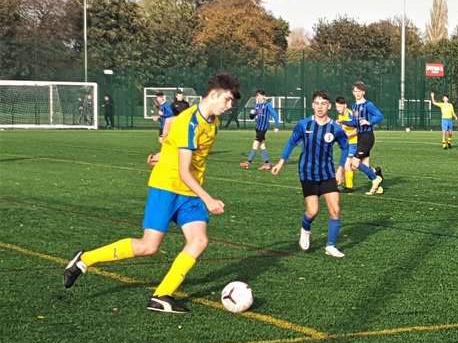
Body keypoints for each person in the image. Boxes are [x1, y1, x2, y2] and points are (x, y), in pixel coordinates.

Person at [63, 73, 242, 313]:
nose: (230, 106)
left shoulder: (213, 122)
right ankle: (85, 259)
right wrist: (208, 199)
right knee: (149, 246)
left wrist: (163, 154)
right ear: (213, 95)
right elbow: (183, 171)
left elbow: (179, 147)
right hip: (167, 186)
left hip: (189, 192)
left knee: (199, 241)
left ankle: (161, 295)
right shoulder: (189, 122)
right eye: (228, 100)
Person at [271, 90, 356, 258]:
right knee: (312, 211)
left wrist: (340, 169)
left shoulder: (335, 128)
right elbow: (291, 142)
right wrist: (281, 161)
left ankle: (330, 245)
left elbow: (345, 147)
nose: (320, 107)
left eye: (323, 104)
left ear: (329, 106)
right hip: (307, 173)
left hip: (327, 174)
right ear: (312, 105)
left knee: (335, 210)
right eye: (317, 103)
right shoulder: (304, 125)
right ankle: (305, 228)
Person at [340, 81, 384, 195]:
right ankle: (377, 185)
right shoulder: (354, 106)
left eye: (359, 91)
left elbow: (380, 116)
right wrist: (342, 121)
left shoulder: (368, 104)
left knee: (354, 164)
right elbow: (355, 122)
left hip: (367, 137)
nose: (357, 93)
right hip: (360, 137)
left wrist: (369, 122)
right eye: (355, 91)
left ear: (363, 92)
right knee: (364, 165)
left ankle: (376, 178)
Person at [240, 90, 280, 171]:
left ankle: (248, 162)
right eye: (256, 95)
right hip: (258, 128)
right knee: (262, 145)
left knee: (255, 144)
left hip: (263, 128)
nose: (257, 97)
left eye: (259, 95)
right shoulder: (257, 105)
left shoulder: (267, 105)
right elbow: (252, 117)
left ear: (263, 96)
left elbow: (275, 115)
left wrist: (276, 126)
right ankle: (267, 164)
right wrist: (251, 114)